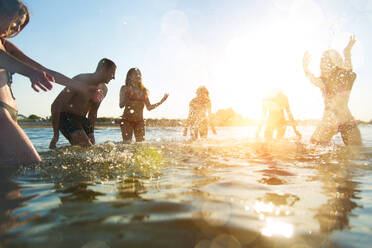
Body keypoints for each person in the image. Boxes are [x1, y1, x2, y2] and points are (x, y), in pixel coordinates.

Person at [0, 0, 103, 166]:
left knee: (10, 177)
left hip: (9, 115)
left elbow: (46, 71)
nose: (16, 29)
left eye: (20, 26)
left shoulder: (6, 44)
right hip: (1, 115)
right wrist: (30, 73)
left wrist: (83, 88)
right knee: (34, 167)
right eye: (15, 22)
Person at [303, 35, 362, 146]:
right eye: (325, 59)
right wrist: (305, 69)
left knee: (313, 148)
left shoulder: (343, 75)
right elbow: (313, 79)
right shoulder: (343, 76)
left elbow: (313, 79)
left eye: (328, 59)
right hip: (343, 120)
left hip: (331, 121)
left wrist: (347, 49)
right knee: (358, 153)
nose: (326, 62)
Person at [49, 59, 116, 148]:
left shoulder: (104, 89)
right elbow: (56, 105)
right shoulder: (80, 80)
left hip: (82, 120)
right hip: (66, 117)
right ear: (103, 70)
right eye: (112, 73)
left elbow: (93, 113)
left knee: (92, 148)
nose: (114, 77)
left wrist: (91, 133)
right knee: (85, 146)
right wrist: (55, 135)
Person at [119, 68, 168, 142]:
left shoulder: (144, 91)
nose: (138, 76)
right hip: (127, 121)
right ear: (129, 76)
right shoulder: (124, 88)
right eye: (135, 74)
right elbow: (121, 105)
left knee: (140, 145)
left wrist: (161, 102)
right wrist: (128, 96)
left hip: (140, 121)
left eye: (139, 74)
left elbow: (149, 107)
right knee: (127, 144)